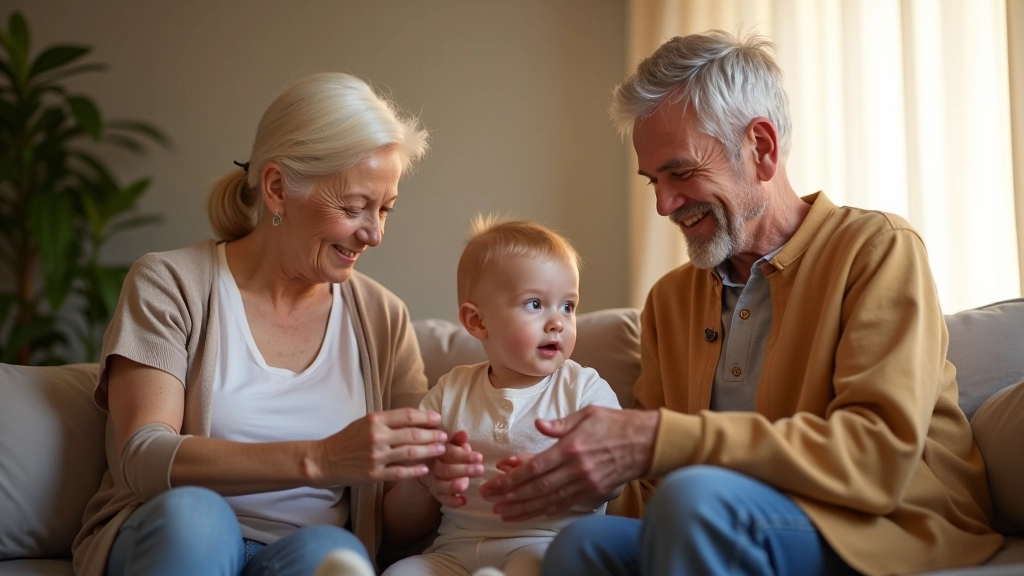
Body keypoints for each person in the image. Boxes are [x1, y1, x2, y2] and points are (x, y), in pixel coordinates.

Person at [477, 31, 1005, 576]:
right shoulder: (671, 299)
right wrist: (576, 478)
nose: (663, 203)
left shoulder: (877, 249)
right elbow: (655, 490)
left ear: (761, 148)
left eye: (680, 172)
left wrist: (660, 438)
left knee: (695, 502)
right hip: (725, 523)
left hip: (886, 525)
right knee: (582, 544)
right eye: (653, 180)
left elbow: (877, 457)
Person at [71, 73, 463, 576]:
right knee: (198, 519)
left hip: (300, 554)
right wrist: (320, 458)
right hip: (174, 535)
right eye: (354, 207)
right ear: (277, 188)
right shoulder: (169, 283)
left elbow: (395, 525)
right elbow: (142, 457)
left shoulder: (385, 318)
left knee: (333, 555)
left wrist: (428, 482)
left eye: (385, 208)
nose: (375, 233)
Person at [382, 218, 623, 576]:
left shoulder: (584, 389)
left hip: (545, 544)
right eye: (535, 304)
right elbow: (397, 529)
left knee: (530, 568)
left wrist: (557, 475)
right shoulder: (450, 393)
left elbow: (617, 478)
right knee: (403, 571)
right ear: (477, 321)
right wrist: (423, 480)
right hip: (454, 550)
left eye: (568, 306)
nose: (558, 321)